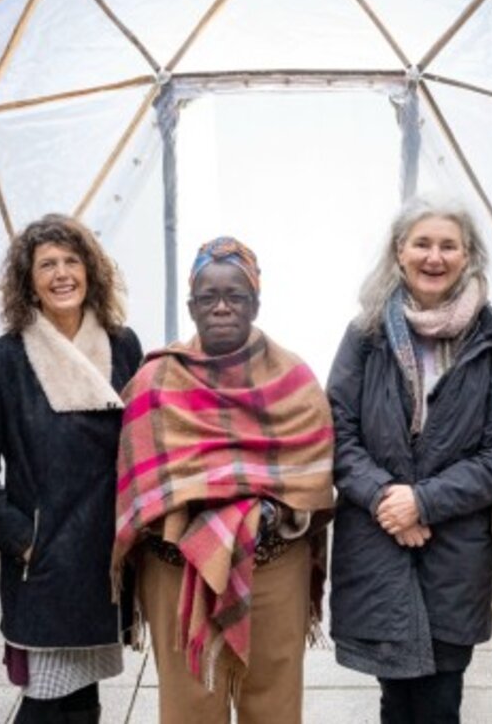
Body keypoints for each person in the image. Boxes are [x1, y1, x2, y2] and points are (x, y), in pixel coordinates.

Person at [112, 237, 335, 724]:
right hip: (177, 573)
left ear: (255, 302)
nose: (221, 307)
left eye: (235, 296)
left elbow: (314, 476)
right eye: (208, 297)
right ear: (191, 305)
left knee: (274, 702)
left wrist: (257, 514)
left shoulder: (294, 379)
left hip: (274, 570)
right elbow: (137, 484)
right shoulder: (155, 382)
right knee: (189, 702)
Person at [326, 199, 492, 724]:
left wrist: (424, 502)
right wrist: (386, 499)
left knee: (441, 698)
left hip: (453, 549)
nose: (434, 257)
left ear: (468, 256)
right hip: (377, 541)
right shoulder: (365, 334)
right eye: (422, 243)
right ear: (399, 251)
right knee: (396, 697)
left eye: (448, 245)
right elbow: (337, 433)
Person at [0, 215, 143, 724]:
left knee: (83, 698)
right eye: (47, 265)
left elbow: (142, 445)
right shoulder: (2, 361)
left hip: (107, 557)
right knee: (47, 698)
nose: (62, 274)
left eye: (71, 261)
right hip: (44, 560)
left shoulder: (123, 346)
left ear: (91, 272)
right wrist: (21, 539)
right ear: (27, 281)